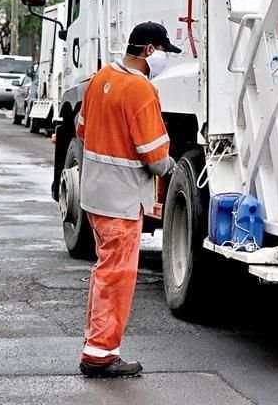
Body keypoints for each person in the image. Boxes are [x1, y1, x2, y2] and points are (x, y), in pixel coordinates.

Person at [76, 22, 181, 377]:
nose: (164, 59)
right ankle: (101, 354)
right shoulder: (141, 90)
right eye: (164, 51)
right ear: (150, 50)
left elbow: (82, 128)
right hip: (121, 199)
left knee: (105, 270)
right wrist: (170, 165)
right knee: (117, 275)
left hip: (94, 194)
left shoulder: (100, 78)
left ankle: (96, 345)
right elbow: (153, 157)